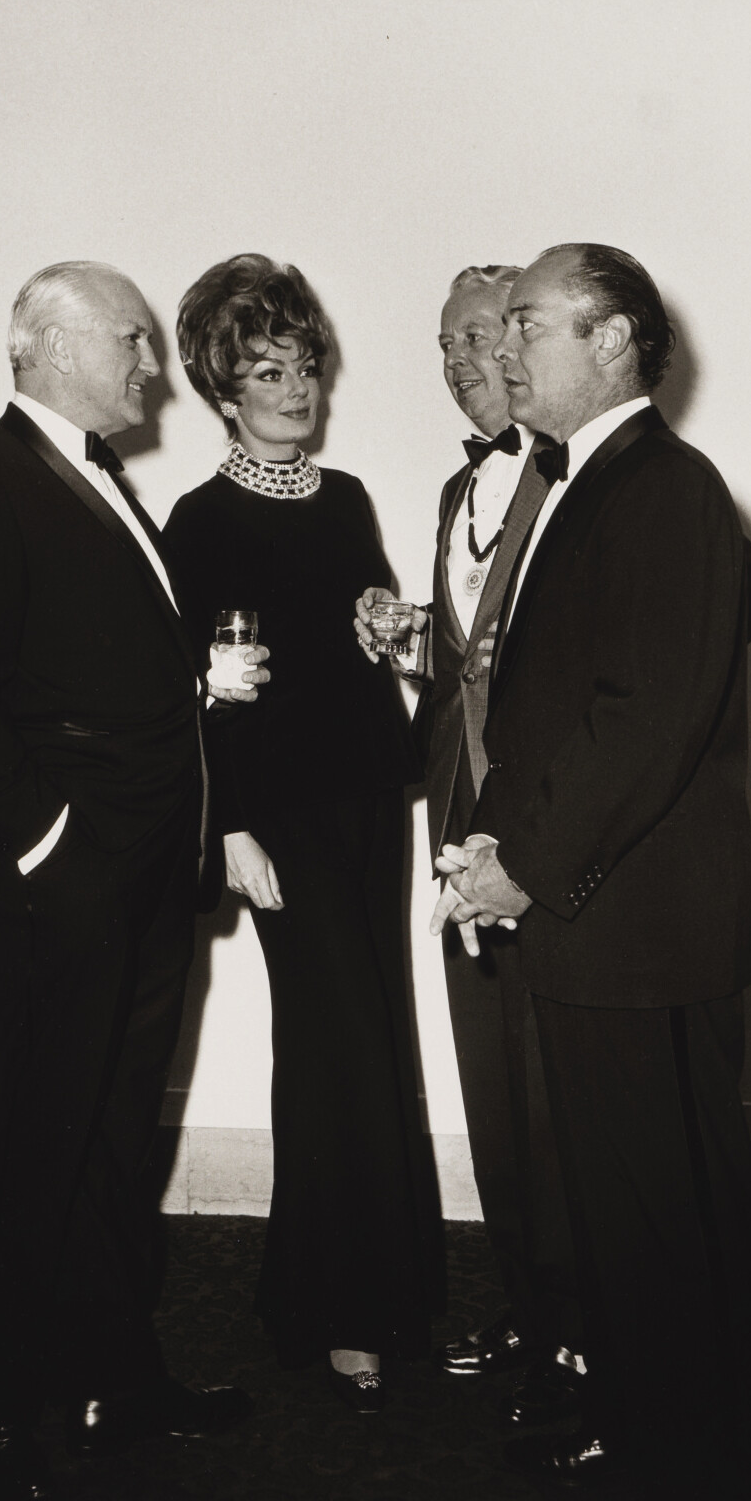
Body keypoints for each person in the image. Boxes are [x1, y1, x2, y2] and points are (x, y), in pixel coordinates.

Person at [0, 260, 265, 1498]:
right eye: (131, 340)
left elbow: (104, 666)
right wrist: (48, 842)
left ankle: (116, 1379)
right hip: (60, 879)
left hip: (145, 874)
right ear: (48, 345)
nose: (150, 366)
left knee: (113, 1136)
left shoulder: (102, 484)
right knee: (50, 1136)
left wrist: (194, 694)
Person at [434, 242, 751, 1501]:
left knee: (656, 1217)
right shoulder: (602, 487)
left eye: (530, 324)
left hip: (634, 932)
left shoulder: (664, 490)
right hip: (618, 921)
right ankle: (666, 1442)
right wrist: (497, 847)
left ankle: (686, 1483)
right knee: (646, 1213)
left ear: (618, 340)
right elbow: (560, 706)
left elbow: (641, 720)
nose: (506, 349)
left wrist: (521, 864)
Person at [161, 254, 443, 1411]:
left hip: (371, 801)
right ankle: (339, 1309)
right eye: (266, 370)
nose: (293, 388)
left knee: (373, 1036)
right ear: (225, 390)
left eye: (303, 364)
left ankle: (363, 1294)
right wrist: (225, 828)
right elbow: (179, 692)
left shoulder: (347, 498)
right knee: (332, 1046)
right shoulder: (197, 517)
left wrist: (391, 627)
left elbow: (366, 631)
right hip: (279, 819)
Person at [353, 267, 586, 1434]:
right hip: (454, 830)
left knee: (567, 1088)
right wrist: (405, 653)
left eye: (475, 335)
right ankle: (532, 1306)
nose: (453, 359)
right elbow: (470, 662)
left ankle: (592, 1327)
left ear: (527, 339)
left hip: (553, 838)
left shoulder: (589, 473)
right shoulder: (458, 487)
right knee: (491, 1084)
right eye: (440, 343)